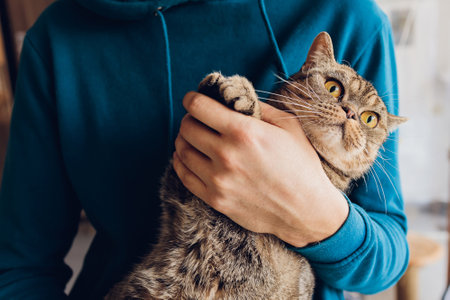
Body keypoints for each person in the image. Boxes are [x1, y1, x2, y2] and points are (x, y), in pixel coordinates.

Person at [0, 0, 409, 299]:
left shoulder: (349, 16)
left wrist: (315, 215)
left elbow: (389, 256)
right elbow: (21, 269)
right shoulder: (57, 38)